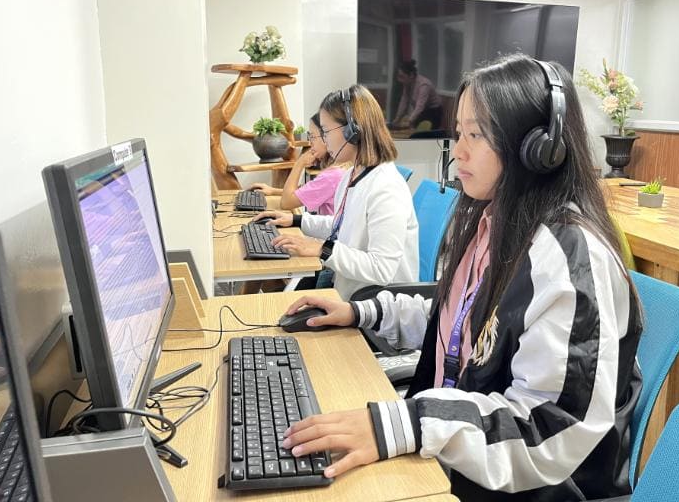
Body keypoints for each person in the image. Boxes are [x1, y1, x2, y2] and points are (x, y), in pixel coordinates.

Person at [279, 55, 643, 501]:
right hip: (464, 450)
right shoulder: (491, 221)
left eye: (477, 134)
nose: (459, 151)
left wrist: (408, 424)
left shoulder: (567, 258)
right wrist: (361, 312)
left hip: (530, 485)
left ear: (538, 148)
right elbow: (459, 321)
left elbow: (549, 429)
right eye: (459, 133)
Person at [253, 85, 419, 299]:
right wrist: (296, 221)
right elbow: (341, 225)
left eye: (325, 131)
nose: (323, 140)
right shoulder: (352, 175)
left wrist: (322, 249)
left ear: (353, 131)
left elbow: (381, 268)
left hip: (375, 306)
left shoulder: (386, 188)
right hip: (348, 292)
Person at [248, 113, 351, 215]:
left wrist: (299, 164)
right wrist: (273, 191)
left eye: (313, 137)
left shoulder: (332, 176)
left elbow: (286, 202)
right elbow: (305, 191)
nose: (310, 143)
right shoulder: (342, 169)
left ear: (326, 137)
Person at [392, 59, 443, 130]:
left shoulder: (424, 85)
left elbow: (420, 106)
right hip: (423, 110)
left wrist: (409, 121)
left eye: (402, 77)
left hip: (433, 112)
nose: (399, 80)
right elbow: (404, 102)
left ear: (411, 75)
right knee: (412, 125)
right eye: (398, 77)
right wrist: (397, 119)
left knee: (418, 128)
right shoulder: (407, 84)